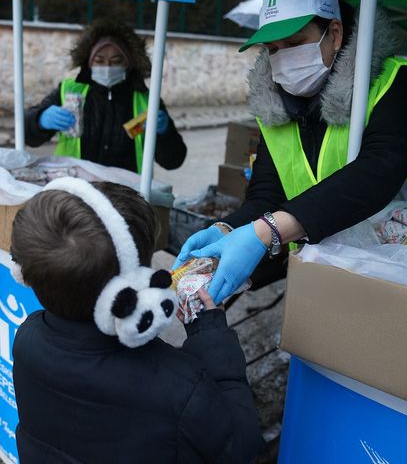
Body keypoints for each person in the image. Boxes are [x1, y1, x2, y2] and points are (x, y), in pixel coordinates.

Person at [174, 0, 407, 303]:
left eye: (293, 43)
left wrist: (267, 232)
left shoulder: (394, 83)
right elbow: (267, 193)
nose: (282, 58)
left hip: (399, 265)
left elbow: (378, 170)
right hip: (324, 268)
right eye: (273, 49)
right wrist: (227, 230)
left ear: (334, 34)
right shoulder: (274, 106)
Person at [10, 177, 265, 464]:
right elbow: (240, 443)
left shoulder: (26, 337)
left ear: (24, 273)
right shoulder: (181, 385)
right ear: (137, 286)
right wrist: (211, 334)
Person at [24, 19, 186, 173]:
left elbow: (173, 161)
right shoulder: (69, 91)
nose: (107, 67)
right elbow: (27, 135)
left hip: (126, 192)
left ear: (129, 63)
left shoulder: (146, 101)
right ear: (88, 62)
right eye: (99, 61)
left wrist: (165, 133)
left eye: (116, 61)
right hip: (75, 189)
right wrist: (40, 120)